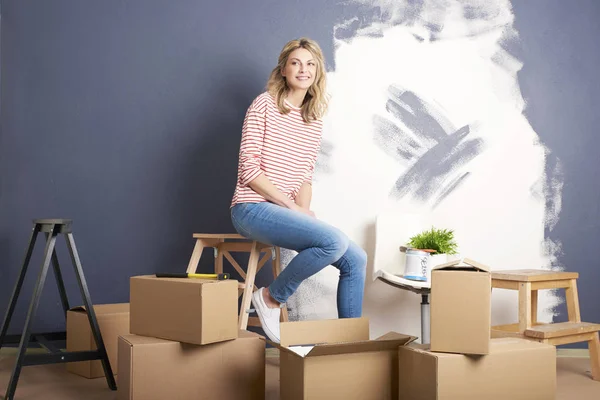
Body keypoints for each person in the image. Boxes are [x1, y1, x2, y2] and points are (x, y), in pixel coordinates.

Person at [229, 37, 367, 343]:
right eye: (296, 63)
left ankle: (352, 345)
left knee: (355, 258)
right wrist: (291, 208)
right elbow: (249, 171)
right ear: (284, 69)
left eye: (310, 64)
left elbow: (305, 176)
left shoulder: (312, 117)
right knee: (333, 240)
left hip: (282, 211)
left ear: (318, 72)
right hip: (250, 208)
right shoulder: (264, 104)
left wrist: (304, 212)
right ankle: (269, 298)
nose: (303, 69)